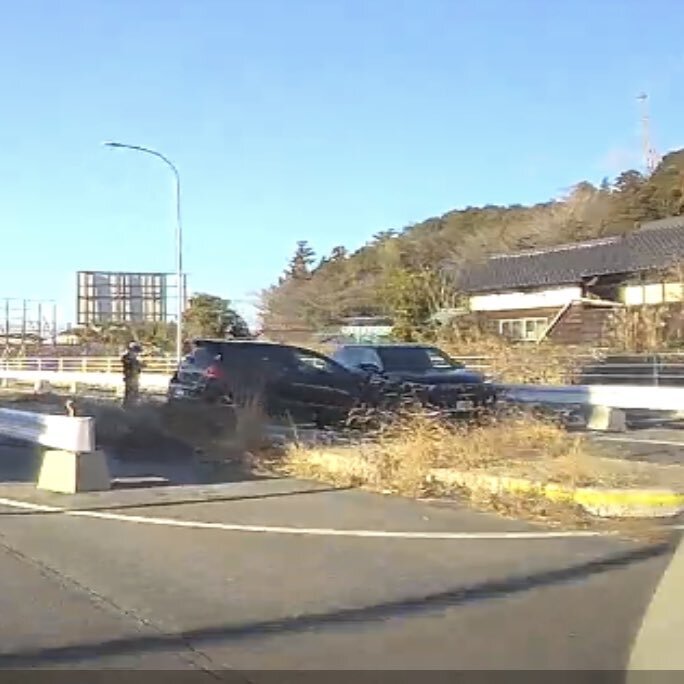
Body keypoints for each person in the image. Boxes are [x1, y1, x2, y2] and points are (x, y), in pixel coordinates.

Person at [121, 342, 143, 408]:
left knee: (135, 391)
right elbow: (128, 365)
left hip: (135, 377)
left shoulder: (135, 359)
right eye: (135, 352)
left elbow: (138, 368)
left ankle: (133, 405)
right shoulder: (127, 358)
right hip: (130, 377)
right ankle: (127, 405)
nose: (136, 354)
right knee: (129, 392)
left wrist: (140, 365)